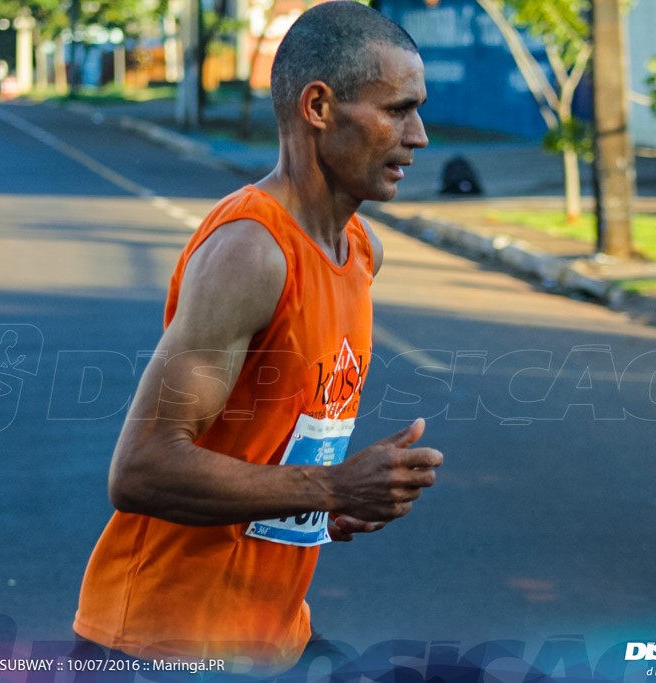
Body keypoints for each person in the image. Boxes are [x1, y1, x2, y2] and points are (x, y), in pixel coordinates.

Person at [73, 1, 442, 675]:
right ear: (319, 106)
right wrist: (329, 486)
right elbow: (141, 469)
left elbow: (266, 450)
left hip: (273, 640)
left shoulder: (361, 252)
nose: (418, 136)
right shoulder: (253, 250)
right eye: (397, 109)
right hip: (156, 647)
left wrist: (325, 505)